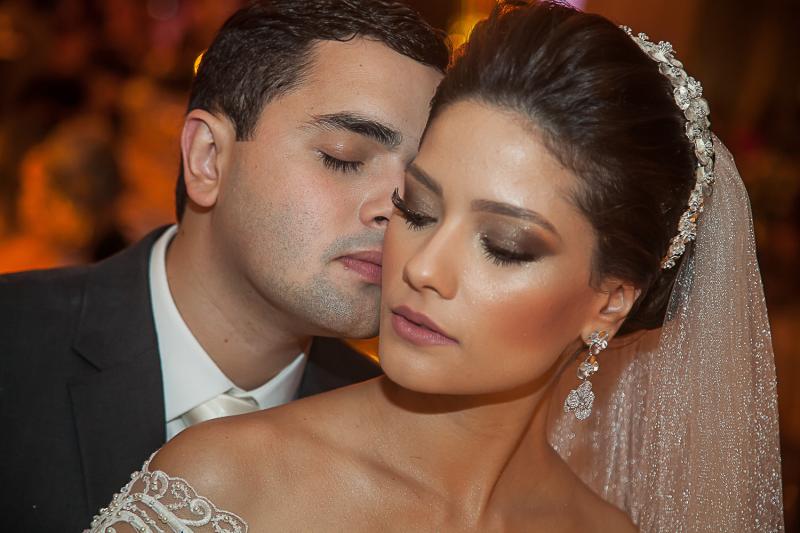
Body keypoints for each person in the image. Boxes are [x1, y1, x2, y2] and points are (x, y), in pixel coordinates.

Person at [89, 1, 784, 532]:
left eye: (503, 245)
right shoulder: (224, 484)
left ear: (610, 301)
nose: (423, 268)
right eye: (417, 209)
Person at [0, 1, 448, 531]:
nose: (395, 208)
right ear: (208, 158)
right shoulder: (16, 343)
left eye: (419, 187)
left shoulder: (399, 435)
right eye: (344, 156)